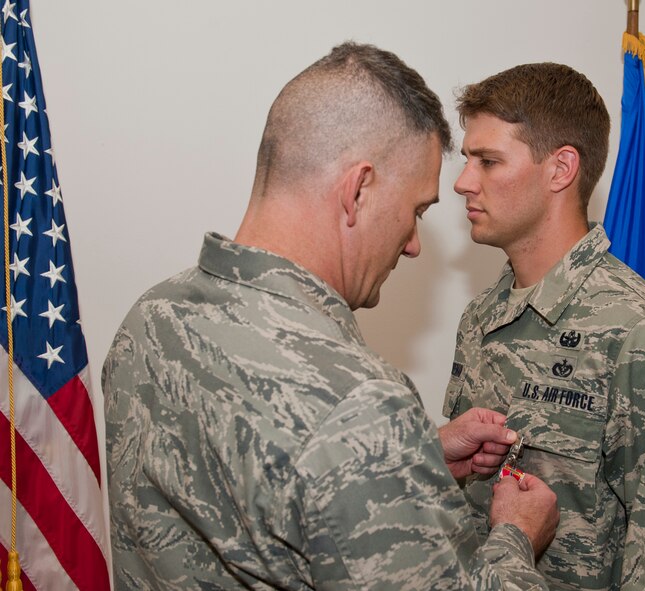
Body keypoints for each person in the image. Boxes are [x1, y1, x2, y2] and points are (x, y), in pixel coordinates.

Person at [103, 42, 559, 590]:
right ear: (357, 190)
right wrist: (515, 536)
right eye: (416, 210)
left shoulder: (153, 317)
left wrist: (410, 459)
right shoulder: (360, 406)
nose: (413, 245)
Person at [442, 62, 645, 590]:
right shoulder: (481, 317)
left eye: (488, 161)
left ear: (561, 169)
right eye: (467, 160)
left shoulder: (644, 338)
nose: (463, 182)